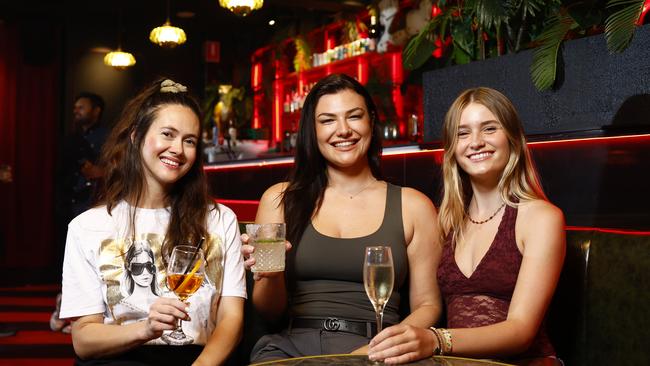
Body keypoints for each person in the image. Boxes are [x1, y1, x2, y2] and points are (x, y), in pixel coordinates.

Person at [243, 73, 441, 362]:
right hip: (294, 351)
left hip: (380, 349)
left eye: (354, 116)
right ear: (312, 130)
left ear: (371, 122)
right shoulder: (279, 199)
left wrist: (382, 347)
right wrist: (270, 277)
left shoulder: (413, 205)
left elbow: (428, 304)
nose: (343, 130)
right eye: (327, 120)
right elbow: (268, 312)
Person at [368, 87, 565, 365]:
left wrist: (436, 340)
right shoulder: (447, 223)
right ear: (452, 150)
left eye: (489, 129)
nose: (475, 142)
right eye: (463, 133)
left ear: (512, 139)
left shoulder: (541, 218)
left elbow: (521, 331)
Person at [59, 78, 246, 365]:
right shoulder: (87, 227)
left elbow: (231, 318)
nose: (178, 149)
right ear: (136, 136)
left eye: (189, 140)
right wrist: (145, 328)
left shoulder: (219, 219)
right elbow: (83, 341)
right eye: (168, 134)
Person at [51, 92, 109, 333]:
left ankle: (87, 317)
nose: (76, 111)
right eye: (74, 107)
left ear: (96, 110)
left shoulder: (108, 136)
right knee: (70, 258)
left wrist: (100, 171)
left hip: (99, 203)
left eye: (81, 107)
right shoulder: (69, 139)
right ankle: (66, 310)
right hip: (72, 204)